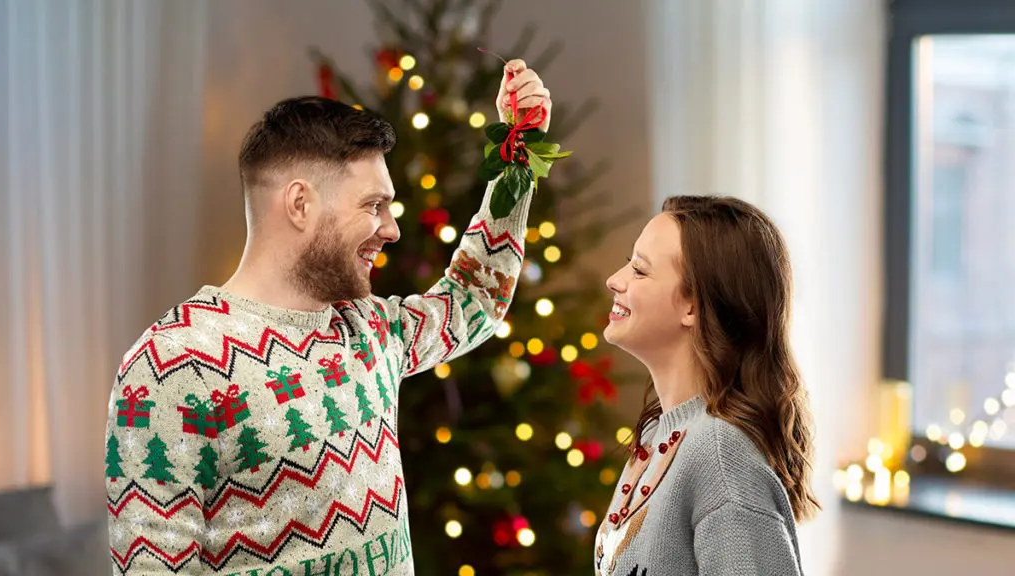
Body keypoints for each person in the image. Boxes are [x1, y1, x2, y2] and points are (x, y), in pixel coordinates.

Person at [104, 59, 550, 575]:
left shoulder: (368, 329)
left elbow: (475, 299)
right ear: (300, 204)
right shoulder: (172, 364)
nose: (391, 230)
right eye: (374, 205)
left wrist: (518, 155)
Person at [593, 195, 819, 575]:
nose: (614, 280)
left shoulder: (719, 456)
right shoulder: (656, 435)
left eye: (640, 270)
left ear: (693, 306)